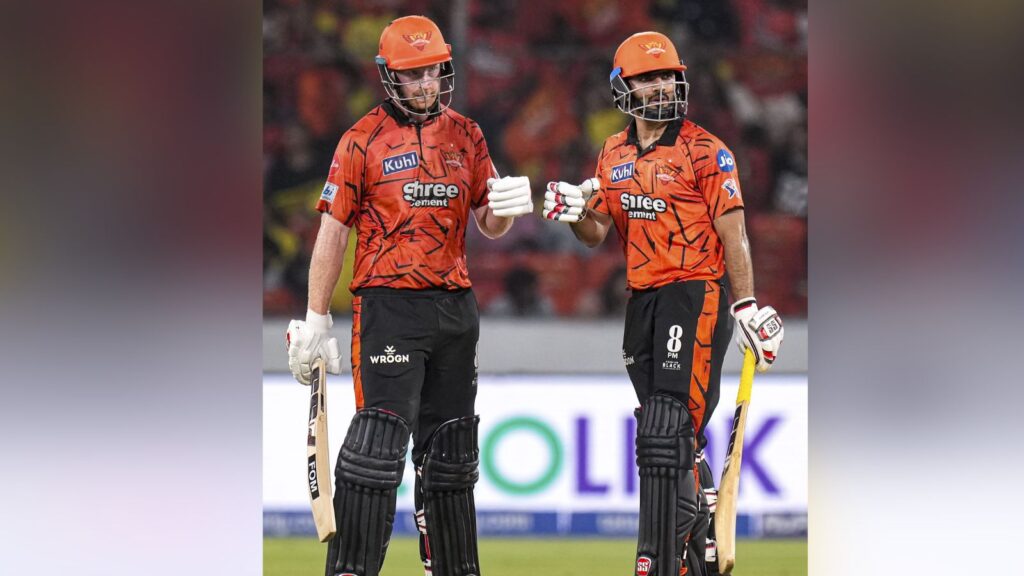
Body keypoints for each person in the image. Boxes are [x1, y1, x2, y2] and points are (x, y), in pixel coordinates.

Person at [285, 15, 534, 576]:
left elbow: (487, 222)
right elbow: (333, 231)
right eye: (414, 75)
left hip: (454, 309)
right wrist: (315, 317)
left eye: (433, 72)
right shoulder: (360, 140)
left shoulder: (467, 134)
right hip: (388, 307)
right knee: (376, 451)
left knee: (450, 456)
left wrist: (506, 206)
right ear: (388, 77)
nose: (426, 84)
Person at [543, 31, 784, 576]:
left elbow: (735, 233)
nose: (661, 85)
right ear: (622, 88)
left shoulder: (706, 150)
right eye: (647, 78)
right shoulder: (613, 152)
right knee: (670, 439)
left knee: (664, 430)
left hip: (694, 293)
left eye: (667, 75)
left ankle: (657, 560)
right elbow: (596, 231)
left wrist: (745, 305)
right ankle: (697, 546)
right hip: (643, 300)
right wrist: (573, 213)